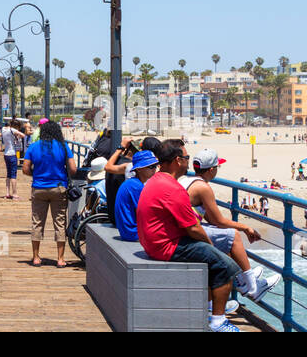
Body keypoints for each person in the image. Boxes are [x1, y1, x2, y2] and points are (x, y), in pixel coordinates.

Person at [136, 139, 242, 332]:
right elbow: (193, 228)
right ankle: (218, 322)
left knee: (212, 258)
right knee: (226, 266)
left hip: (152, 242)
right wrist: (211, 245)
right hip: (166, 246)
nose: (188, 162)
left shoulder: (156, 181)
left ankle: (213, 305)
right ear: (178, 161)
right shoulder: (172, 188)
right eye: (186, 157)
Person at [179, 148, 278, 302]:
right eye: (217, 167)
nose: (218, 169)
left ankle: (242, 280)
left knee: (224, 236)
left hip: (182, 230)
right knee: (233, 236)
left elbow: (213, 221)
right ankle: (253, 288)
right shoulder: (203, 187)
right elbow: (218, 221)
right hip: (186, 234)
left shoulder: (186, 180)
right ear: (211, 170)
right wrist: (245, 227)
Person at [21, 119, 76, 267]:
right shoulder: (63, 147)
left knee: (37, 222)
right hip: (59, 188)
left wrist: (37, 174)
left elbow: (25, 169)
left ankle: (36, 257)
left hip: (39, 188)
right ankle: (60, 259)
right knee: (60, 222)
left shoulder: (33, 147)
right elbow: (73, 169)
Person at [113, 148, 159, 241]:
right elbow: (146, 213)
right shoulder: (136, 186)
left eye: (155, 165)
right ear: (139, 169)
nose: (154, 169)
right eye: (151, 166)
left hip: (127, 231)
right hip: (133, 233)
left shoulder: (132, 183)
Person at [0, 119, 25, 199]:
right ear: (16, 126)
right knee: (13, 175)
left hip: (6, 154)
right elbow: (23, 135)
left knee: (8, 174)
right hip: (12, 154)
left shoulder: (3, 129)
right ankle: (14, 193)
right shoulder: (12, 130)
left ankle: (7, 193)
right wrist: (17, 135)